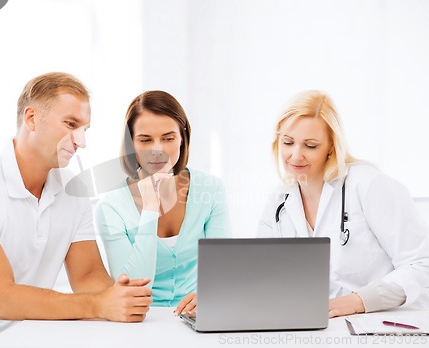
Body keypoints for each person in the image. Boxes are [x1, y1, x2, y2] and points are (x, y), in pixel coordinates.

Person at [0, 72, 152, 348]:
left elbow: (87, 276)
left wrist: (120, 297)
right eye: (71, 124)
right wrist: (97, 305)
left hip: (26, 335)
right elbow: (2, 299)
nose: (81, 142)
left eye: (84, 129)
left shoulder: (72, 189)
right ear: (31, 118)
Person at [257, 90, 429, 318]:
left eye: (310, 146)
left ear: (331, 146)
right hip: (316, 326)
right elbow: (261, 273)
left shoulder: (368, 185)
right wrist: (225, 295)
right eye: (288, 142)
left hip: (379, 324)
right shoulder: (279, 202)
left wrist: (359, 301)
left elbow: (421, 265)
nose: (295, 156)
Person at [95, 90, 231, 314]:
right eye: (145, 140)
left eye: (168, 138)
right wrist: (149, 210)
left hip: (196, 315)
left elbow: (225, 269)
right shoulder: (111, 205)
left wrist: (211, 295)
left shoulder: (211, 189)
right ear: (131, 144)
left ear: (182, 139)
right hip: (139, 319)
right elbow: (133, 285)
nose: (157, 150)